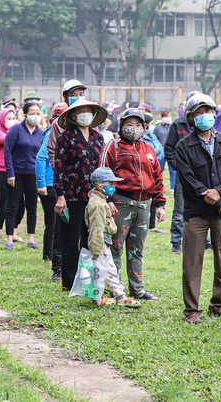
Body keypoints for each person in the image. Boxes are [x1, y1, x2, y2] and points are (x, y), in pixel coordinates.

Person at [175, 93, 221, 322]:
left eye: (207, 111)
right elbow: (188, 179)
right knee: (192, 261)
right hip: (196, 212)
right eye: (198, 113)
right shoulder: (184, 146)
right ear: (191, 118)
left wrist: (220, 193)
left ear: (214, 113)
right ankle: (192, 310)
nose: (204, 116)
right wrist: (215, 199)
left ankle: (219, 304)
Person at [100, 107, 166, 301]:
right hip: (121, 203)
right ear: (122, 126)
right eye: (129, 124)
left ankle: (137, 289)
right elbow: (103, 174)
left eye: (138, 125)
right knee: (115, 248)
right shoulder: (113, 147)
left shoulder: (148, 149)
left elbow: (158, 177)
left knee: (137, 249)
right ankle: (116, 290)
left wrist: (160, 204)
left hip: (144, 205)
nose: (134, 128)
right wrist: (108, 200)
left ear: (144, 128)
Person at [53, 98, 105, 291]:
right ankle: (69, 282)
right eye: (81, 111)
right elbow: (58, 169)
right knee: (70, 239)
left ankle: (86, 282)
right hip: (71, 196)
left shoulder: (98, 138)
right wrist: (60, 196)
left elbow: (102, 167)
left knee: (89, 238)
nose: (85, 114)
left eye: (88, 111)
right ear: (73, 116)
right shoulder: (65, 138)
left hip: (93, 196)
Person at [85, 167, 141, 308]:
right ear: (99, 185)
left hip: (105, 240)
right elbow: (96, 228)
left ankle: (119, 295)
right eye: (110, 184)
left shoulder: (101, 199)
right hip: (100, 242)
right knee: (99, 270)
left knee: (110, 268)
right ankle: (97, 298)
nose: (113, 187)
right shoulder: (97, 204)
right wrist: (96, 248)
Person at [3, 102, 43, 250]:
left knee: (32, 206)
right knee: (13, 206)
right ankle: (9, 239)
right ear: (25, 114)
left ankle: (31, 239)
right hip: (17, 174)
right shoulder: (16, 130)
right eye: (32, 113)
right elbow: (7, 152)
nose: (35, 116)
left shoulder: (40, 133)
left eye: (38, 113)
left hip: (33, 175)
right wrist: (10, 172)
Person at [36, 103, 67, 281]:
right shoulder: (52, 133)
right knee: (55, 224)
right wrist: (41, 183)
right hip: (51, 183)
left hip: (64, 184)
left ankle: (51, 256)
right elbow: (41, 158)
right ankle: (53, 261)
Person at [165, 92, 196, 253]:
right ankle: (176, 242)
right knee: (179, 209)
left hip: (202, 176)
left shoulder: (205, 125)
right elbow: (169, 149)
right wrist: (178, 166)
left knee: (202, 209)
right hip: (183, 176)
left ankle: (204, 240)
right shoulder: (178, 125)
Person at [0, 108, 25, 244]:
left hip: (16, 171)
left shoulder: (17, 133)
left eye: (13, 118)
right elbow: (13, 140)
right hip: (1, 171)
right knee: (2, 203)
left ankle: (14, 232)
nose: (11, 120)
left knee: (19, 204)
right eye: (8, 118)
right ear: (1, 120)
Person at [141, 111, 165, 234]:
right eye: (149, 123)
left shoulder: (152, 135)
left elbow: (160, 149)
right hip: (145, 171)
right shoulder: (140, 138)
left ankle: (152, 224)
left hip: (156, 168)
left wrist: (154, 156)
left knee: (155, 196)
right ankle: (148, 224)